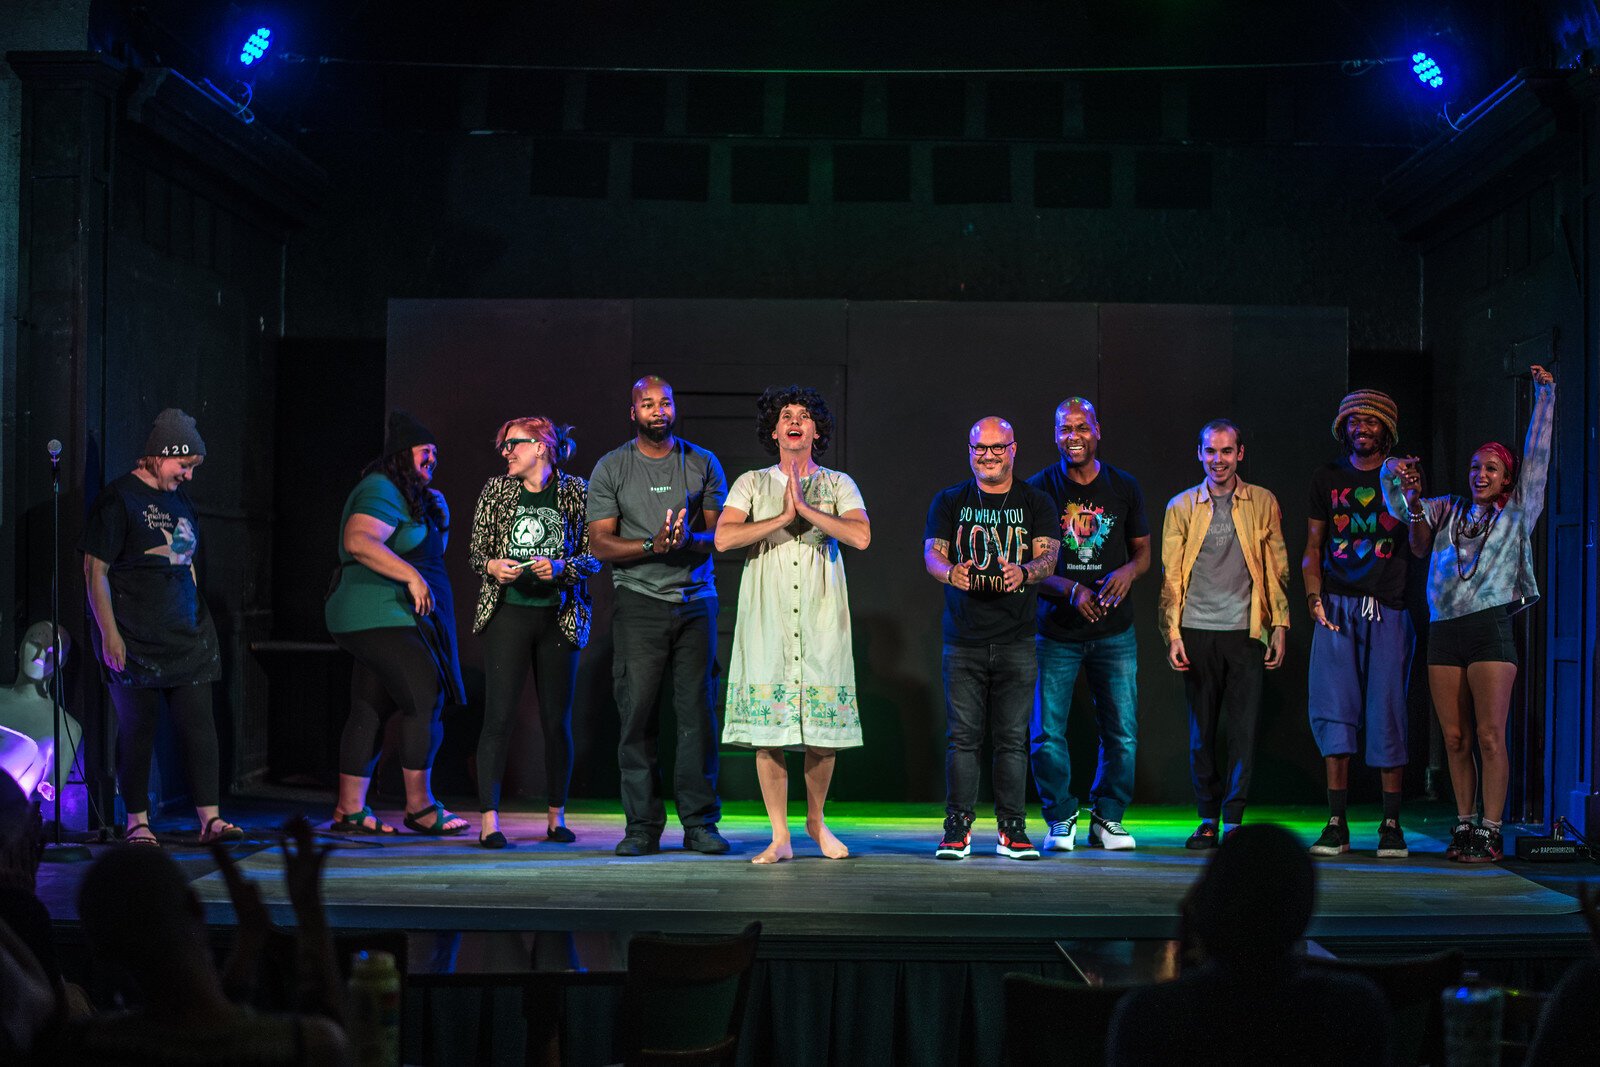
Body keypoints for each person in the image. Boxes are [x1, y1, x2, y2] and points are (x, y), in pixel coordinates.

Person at [1382, 364, 1555, 863]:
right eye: (1475, 467)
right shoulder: (1446, 510)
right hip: (1445, 631)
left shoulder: (1518, 511)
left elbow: (1539, 456)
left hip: (1490, 630)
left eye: (1490, 469)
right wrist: (1401, 478)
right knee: (1455, 737)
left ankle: (1491, 829)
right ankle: (1463, 823)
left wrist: (1546, 395)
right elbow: (1401, 508)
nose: (1480, 475)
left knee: (1489, 734)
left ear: (1507, 477)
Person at [716, 386, 871, 864]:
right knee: (770, 733)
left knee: (821, 734)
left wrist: (806, 511)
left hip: (822, 616)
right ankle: (780, 835)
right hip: (769, 616)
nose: (795, 421)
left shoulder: (838, 483)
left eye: (804, 415)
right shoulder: (751, 483)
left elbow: (861, 536)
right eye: (786, 415)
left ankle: (816, 822)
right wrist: (782, 515)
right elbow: (724, 538)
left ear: (816, 430)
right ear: (775, 429)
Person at [52, 819, 349, 1066]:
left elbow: (195, 1024)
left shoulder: (88, 1044)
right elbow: (330, 1035)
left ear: (101, 952)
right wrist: (310, 913)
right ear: (196, 905)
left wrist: (249, 942)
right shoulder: (301, 1044)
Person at [81, 409, 241, 846]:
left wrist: (192, 613)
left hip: (186, 635)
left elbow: (186, 562)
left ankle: (210, 820)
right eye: (184, 465)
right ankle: (137, 822)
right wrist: (109, 633)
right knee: (138, 729)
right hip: (134, 636)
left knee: (199, 726)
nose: (188, 476)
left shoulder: (178, 499)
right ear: (159, 455)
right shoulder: (119, 499)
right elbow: (95, 570)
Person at [1106, 824, 1391, 1066]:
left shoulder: (1150, 1015)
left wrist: (1190, 946)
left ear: (1203, 907)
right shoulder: (1353, 1008)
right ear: (1303, 912)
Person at [587, 377, 729, 856]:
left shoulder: (702, 461)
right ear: (634, 413)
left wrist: (688, 541)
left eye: (665, 401)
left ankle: (700, 824)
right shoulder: (612, 466)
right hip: (638, 603)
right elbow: (600, 543)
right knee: (637, 717)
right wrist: (651, 544)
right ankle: (642, 827)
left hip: (695, 603)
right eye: (647, 404)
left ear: (674, 407)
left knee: (698, 717)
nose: (657, 410)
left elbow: (722, 536)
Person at [325, 411, 468, 836]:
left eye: (436, 454)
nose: (433, 459)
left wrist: (442, 523)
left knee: (370, 704)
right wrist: (411, 577)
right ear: (402, 454)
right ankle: (420, 807)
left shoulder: (406, 496)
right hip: (376, 613)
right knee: (424, 697)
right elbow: (358, 540)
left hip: (381, 615)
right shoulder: (380, 487)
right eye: (427, 451)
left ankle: (349, 810)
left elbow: (426, 553)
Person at [924, 417, 1060, 861]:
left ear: (1014, 449)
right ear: (970, 451)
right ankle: (958, 828)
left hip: (1018, 638)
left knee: (1012, 740)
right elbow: (931, 552)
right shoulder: (949, 500)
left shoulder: (1035, 501)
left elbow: (1049, 556)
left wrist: (1025, 571)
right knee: (962, 739)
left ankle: (1012, 829)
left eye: (997, 448)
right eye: (980, 448)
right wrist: (949, 572)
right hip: (963, 640)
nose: (988, 456)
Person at [468, 416, 600, 848]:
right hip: (509, 614)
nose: (506, 453)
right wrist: (493, 566)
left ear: (541, 447)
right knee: (498, 718)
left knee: (555, 720)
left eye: (514, 445)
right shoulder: (496, 490)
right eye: (504, 446)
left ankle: (556, 817)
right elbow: (475, 551)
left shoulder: (576, 491)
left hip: (558, 618)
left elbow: (595, 554)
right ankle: (490, 821)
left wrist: (562, 567)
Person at [1026, 397, 1150, 852]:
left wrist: (1127, 573)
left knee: (1121, 731)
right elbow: (1030, 564)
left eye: (1081, 427)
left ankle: (1107, 816)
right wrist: (1071, 590)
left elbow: (1143, 551)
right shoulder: (1039, 489)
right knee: (1045, 733)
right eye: (1064, 429)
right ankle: (1061, 818)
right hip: (1055, 632)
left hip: (1115, 633)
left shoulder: (1123, 486)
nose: (1073, 436)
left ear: (1097, 430)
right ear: (1055, 434)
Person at [1159, 419, 1290, 847]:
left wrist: (1280, 626)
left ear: (1240, 454)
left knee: (1243, 729)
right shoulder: (1181, 506)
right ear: (1199, 454)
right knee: (1202, 732)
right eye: (1211, 452)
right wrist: (1172, 633)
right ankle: (1207, 818)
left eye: (1227, 452)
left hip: (1245, 630)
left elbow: (1277, 570)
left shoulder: (1262, 501)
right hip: (1197, 629)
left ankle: (1233, 819)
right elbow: (1172, 576)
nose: (1219, 460)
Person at [1303, 390, 1416, 860]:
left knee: (1387, 710)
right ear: (1343, 427)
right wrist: (1313, 596)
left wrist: (1412, 495)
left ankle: (1390, 823)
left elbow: (1423, 544)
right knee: (1334, 711)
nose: (1362, 429)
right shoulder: (1328, 477)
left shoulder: (1400, 475)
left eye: (1371, 422)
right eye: (1354, 422)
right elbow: (1313, 545)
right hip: (1337, 605)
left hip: (1388, 607)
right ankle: (1337, 822)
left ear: (1386, 430)